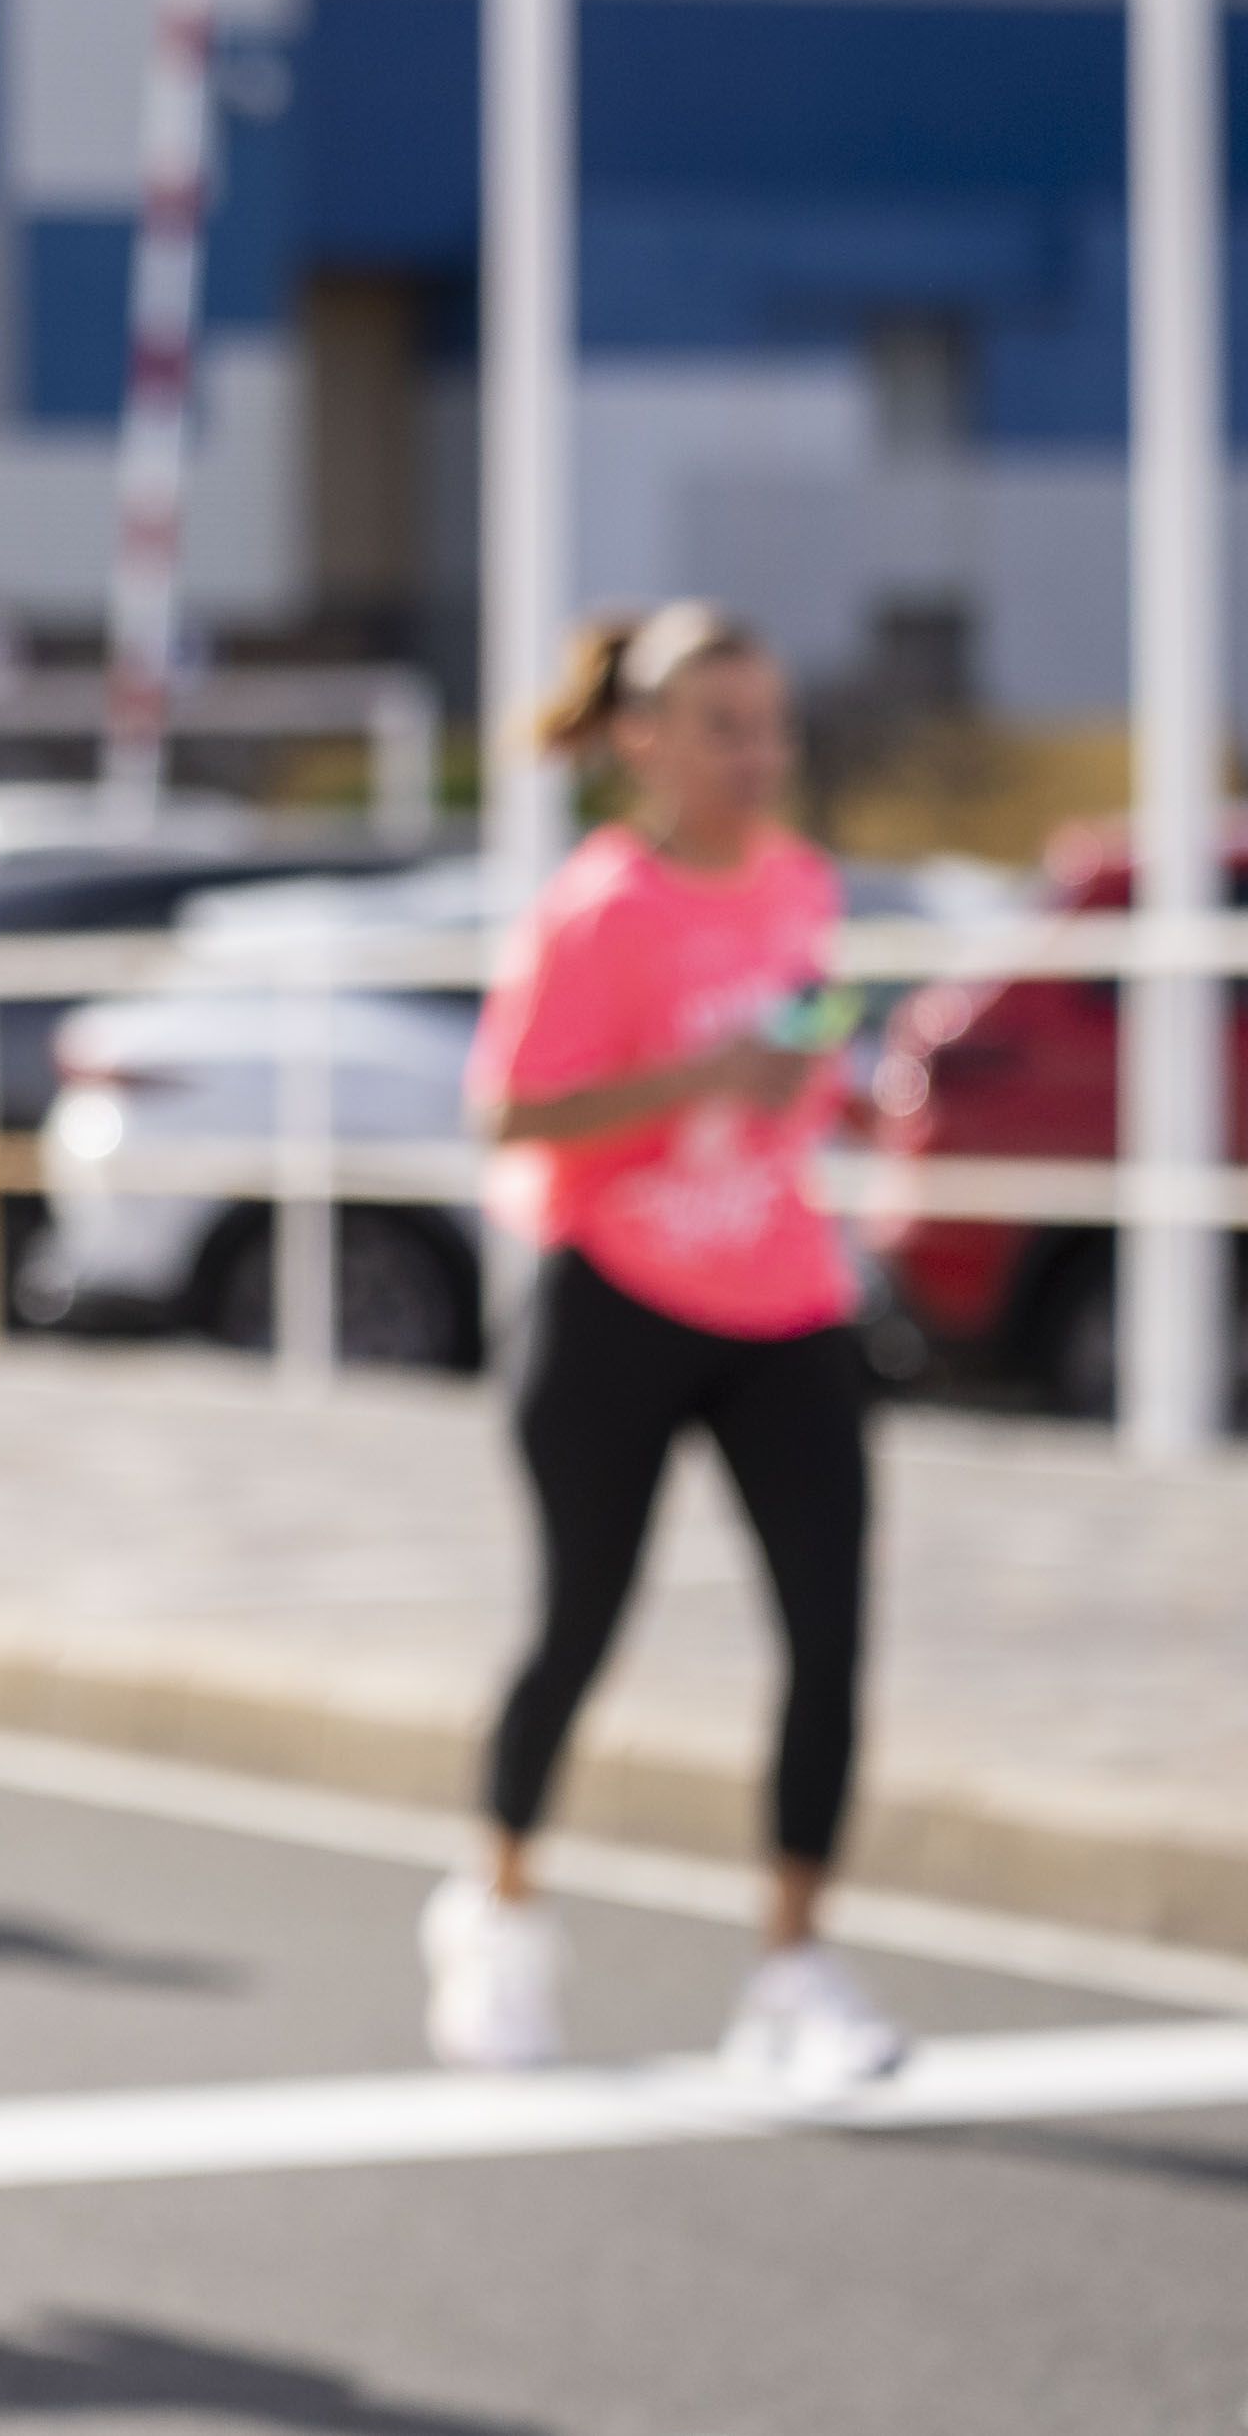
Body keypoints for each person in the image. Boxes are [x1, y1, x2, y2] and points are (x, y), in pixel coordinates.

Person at [423, 602, 903, 2086]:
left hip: (787, 1298)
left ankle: (797, 1966)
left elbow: (799, 1062)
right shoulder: (598, 903)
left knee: (830, 1633)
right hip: (614, 1300)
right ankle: (495, 1907)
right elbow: (504, 1111)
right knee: (581, 1623)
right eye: (724, 726)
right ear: (642, 740)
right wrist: (701, 1070)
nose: (759, 755)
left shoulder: (805, 880)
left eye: (773, 726)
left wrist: (834, 1080)